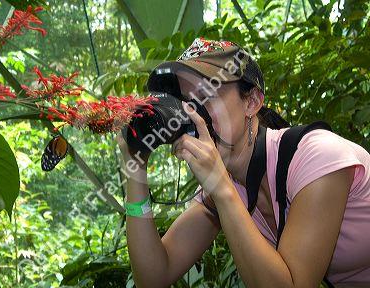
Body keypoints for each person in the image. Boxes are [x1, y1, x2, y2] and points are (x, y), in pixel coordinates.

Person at [116, 37, 370, 288]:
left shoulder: (317, 156)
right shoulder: (225, 187)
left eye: (205, 96)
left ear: (251, 102)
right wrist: (135, 167)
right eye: (184, 104)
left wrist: (222, 189)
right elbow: (153, 277)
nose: (194, 115)